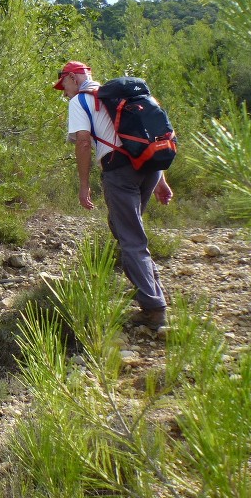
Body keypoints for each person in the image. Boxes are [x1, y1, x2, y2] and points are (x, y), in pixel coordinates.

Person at [54, 60, 173, 328]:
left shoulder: (81, 102)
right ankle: (152, 290)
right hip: (150, 168)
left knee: (129, 237)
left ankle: (154, 309)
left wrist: (83, 184)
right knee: (128, 230)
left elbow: (84, 142)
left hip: (120, 171)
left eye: (64, 85)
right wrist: (161, 180)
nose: (64, 93)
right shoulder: (125, 96)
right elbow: (150, 136)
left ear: (73, 78)